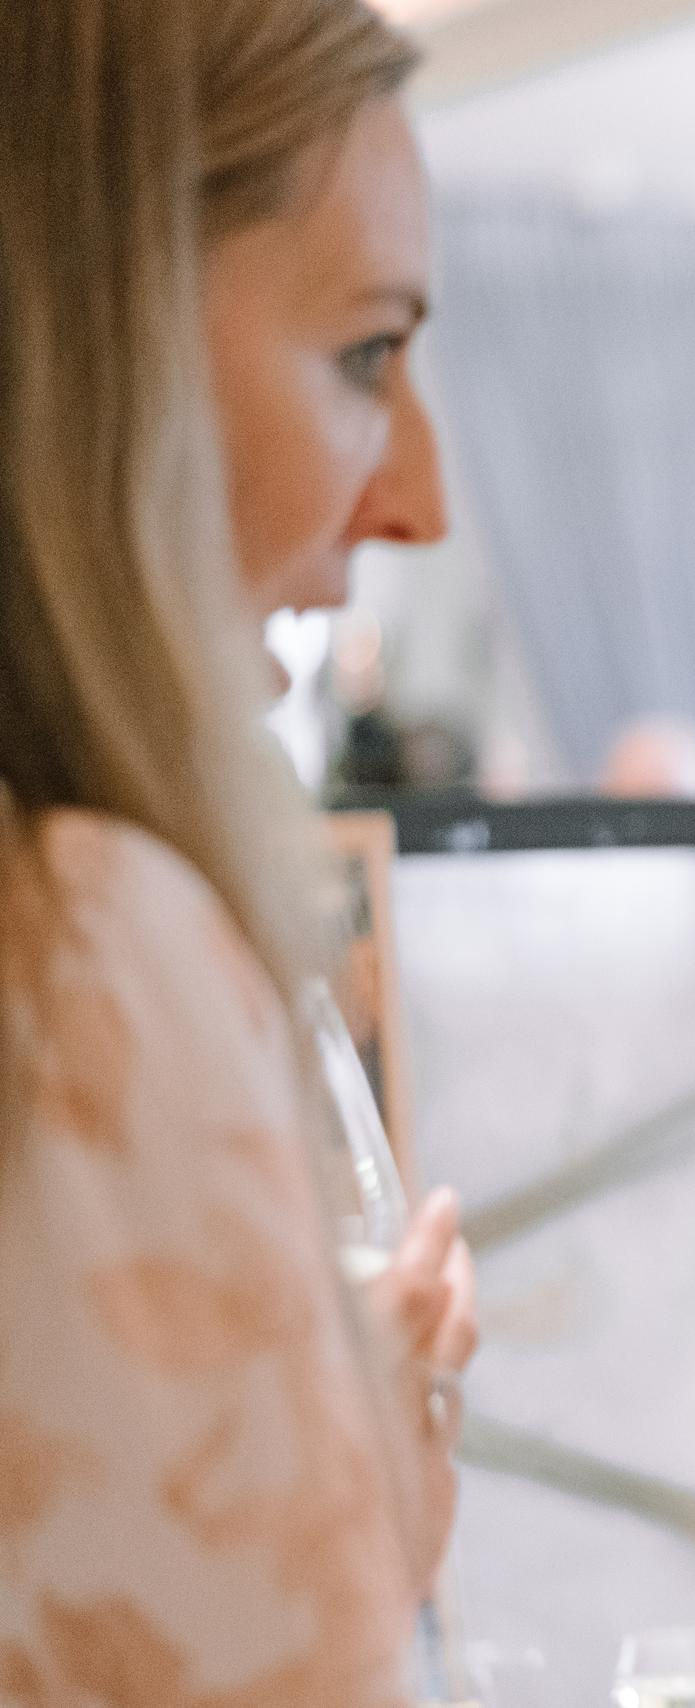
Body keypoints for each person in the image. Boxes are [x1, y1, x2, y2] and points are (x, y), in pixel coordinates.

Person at [0, 0, 469, 1696]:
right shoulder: (82, 944)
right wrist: (353, 1525)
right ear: (91, 324)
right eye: (365, 355)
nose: (414, 494)